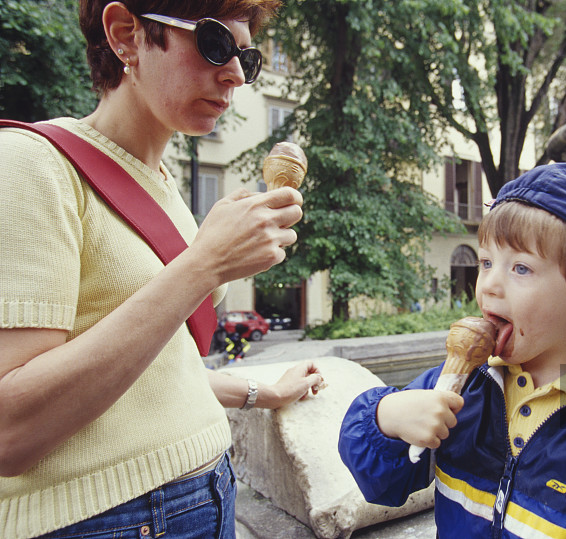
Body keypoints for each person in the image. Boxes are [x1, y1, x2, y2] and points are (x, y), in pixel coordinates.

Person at [0, 1, 324, 538]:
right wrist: (204, 265)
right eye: (216, 43)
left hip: (211, 493)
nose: (237, 73)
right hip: (110, 520)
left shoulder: (168, 189)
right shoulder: (29, 165)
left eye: (248, 56)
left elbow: (151, 371)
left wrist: (262, 392)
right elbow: (10, 430)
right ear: (126, 34)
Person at [339, 163, 566, 537]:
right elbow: (385, 487)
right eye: (487, 262)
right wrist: (384, 419)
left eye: (520, 268)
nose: (488, 285)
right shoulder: (460, 385)